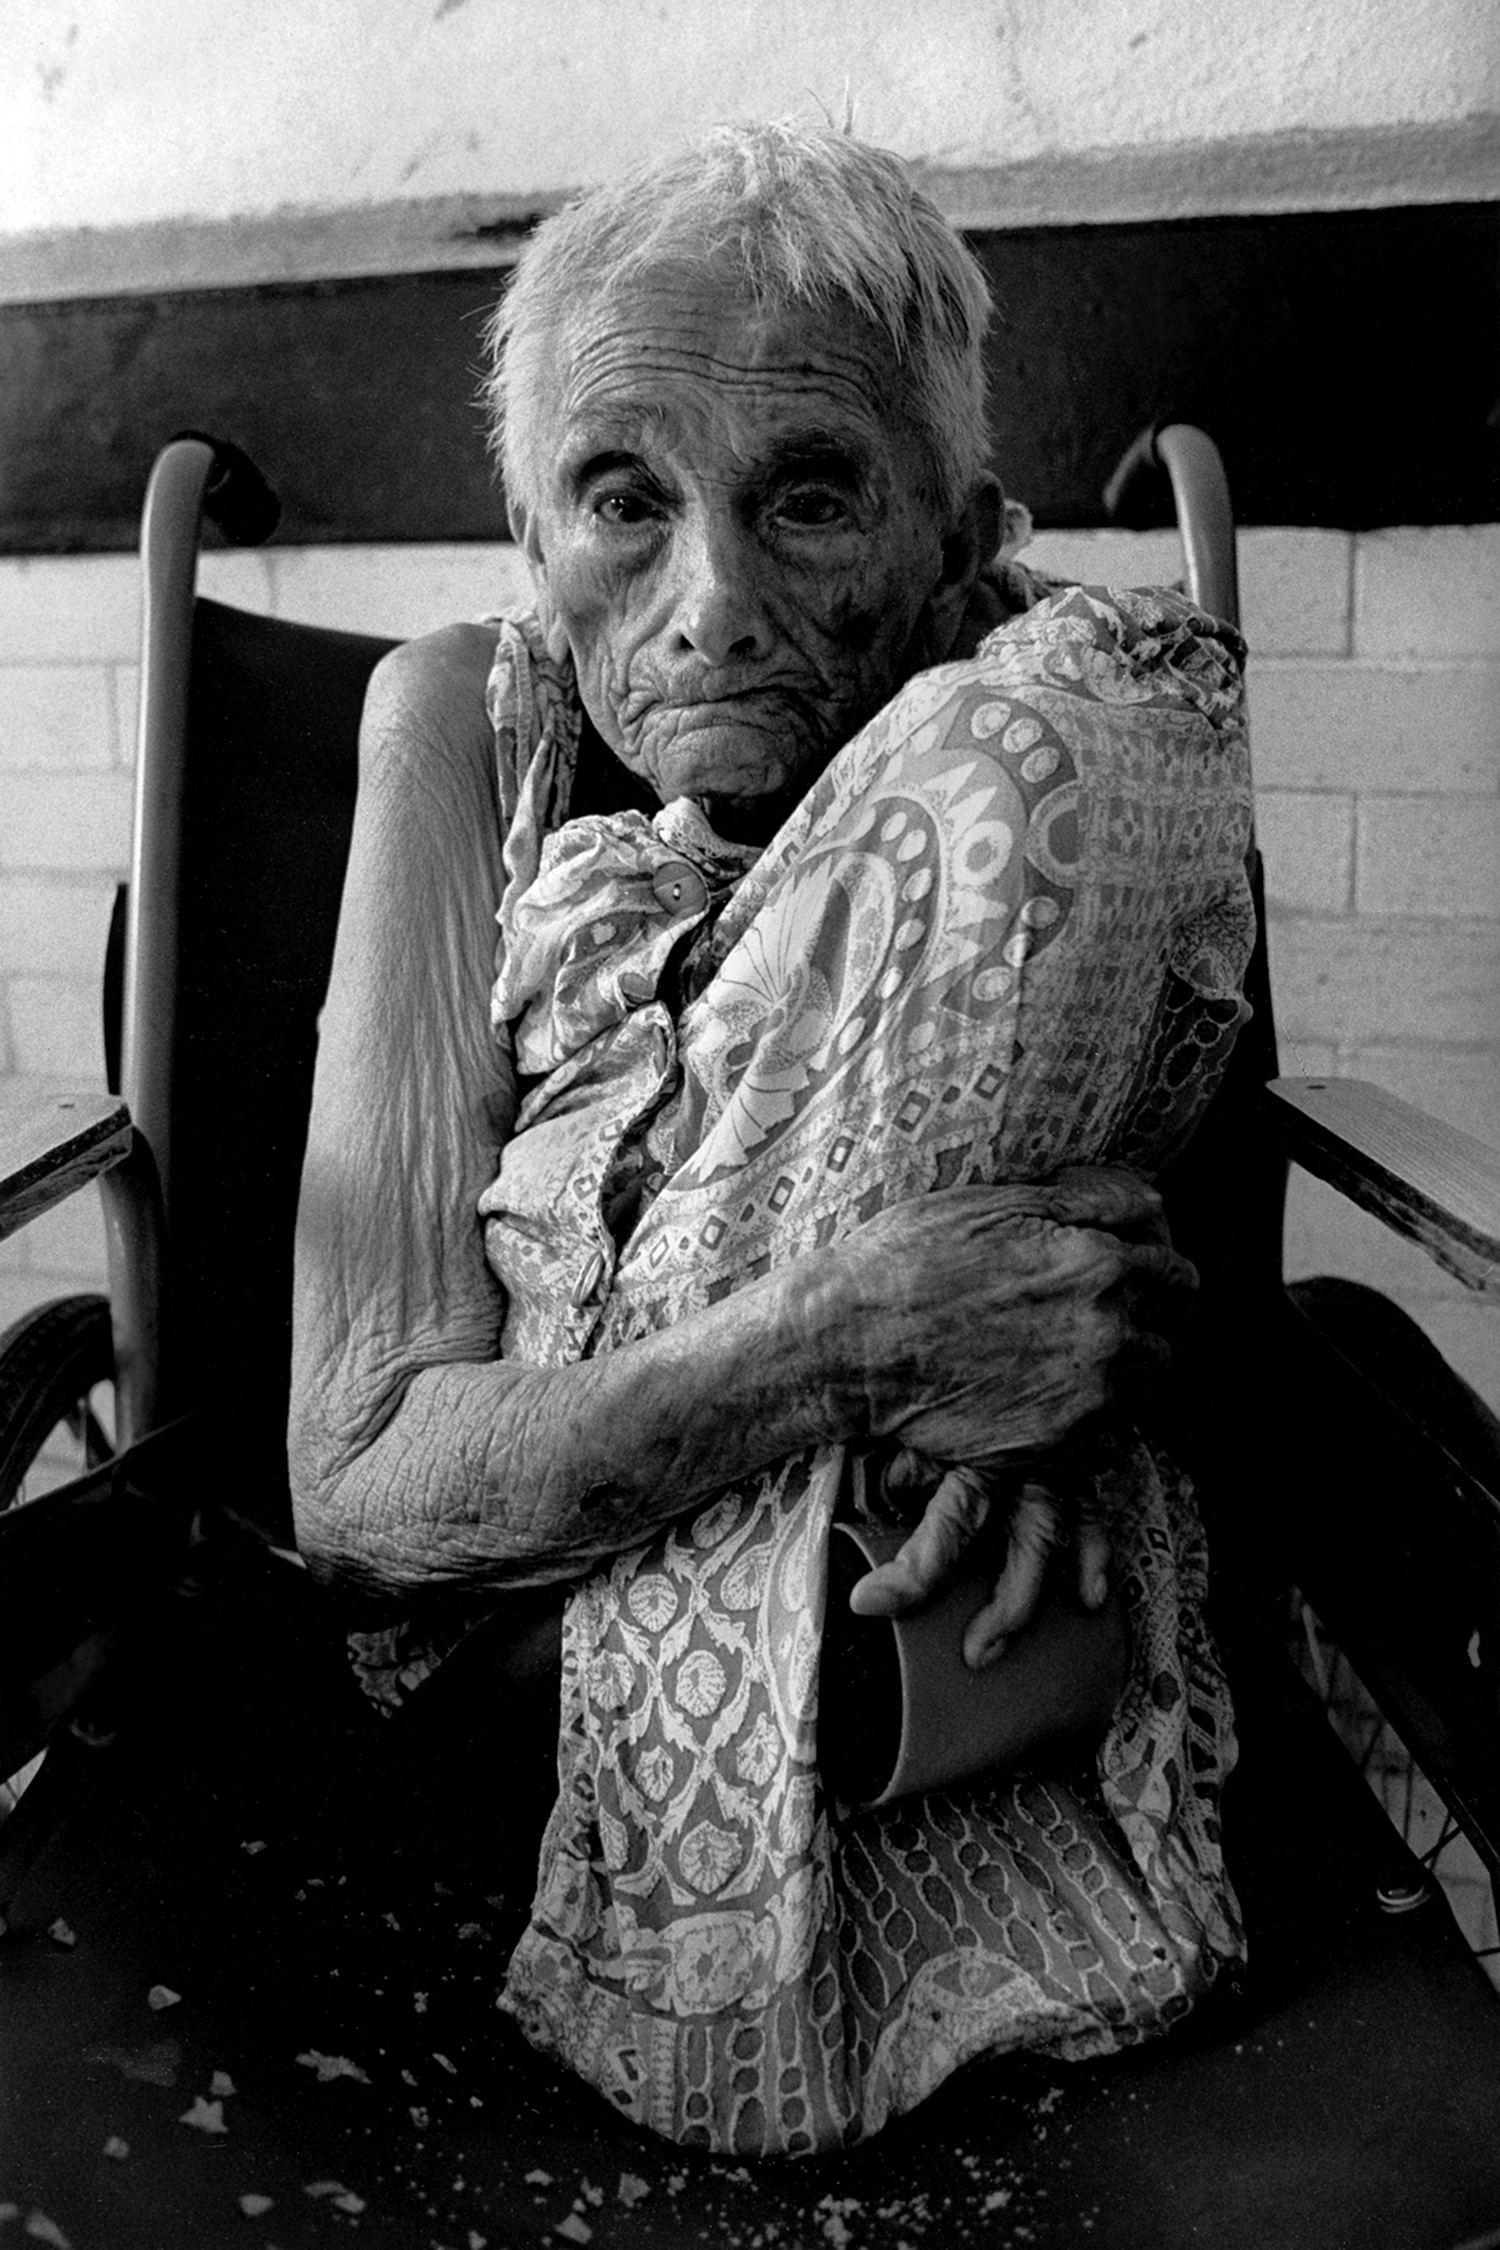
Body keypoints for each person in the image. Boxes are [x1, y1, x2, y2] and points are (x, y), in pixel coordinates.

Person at [290, 121, 1253, 2157]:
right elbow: (363, 1485)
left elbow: (1127, 1286)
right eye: (621, 503)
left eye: (810, 495)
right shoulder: (459, 725)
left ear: (954, 530)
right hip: (518, 1663)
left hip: (961, 1644)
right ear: (535, 548)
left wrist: (1068, 1334)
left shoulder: (1039, 752)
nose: (711, 604)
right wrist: (847, 1340)